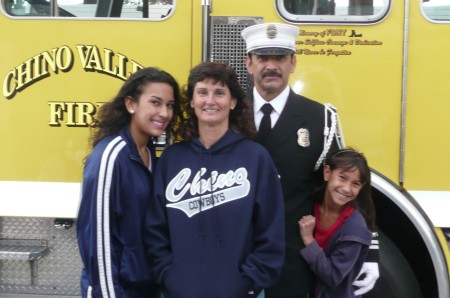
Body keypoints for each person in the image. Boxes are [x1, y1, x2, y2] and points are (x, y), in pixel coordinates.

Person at [241, 22, 380, 298]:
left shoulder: (319, 118)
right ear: (249, 64)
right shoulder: (228, 113)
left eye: (279, 57)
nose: (271, 66)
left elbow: (345, 188)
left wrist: (369, 249)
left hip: (292, 260)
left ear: (293, 63)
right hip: (235, 257)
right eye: (262, 58)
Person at [144, 61, 285, 298]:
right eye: (202, 92)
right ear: (191, 101)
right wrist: (168, 275)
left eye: (219, 92)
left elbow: (270, 230)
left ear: (232, 102)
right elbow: (155, 229)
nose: (210, 100)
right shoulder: (171, 158)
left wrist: (248, 282)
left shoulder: (256, 157)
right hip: (178, 292)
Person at [76, 67, 181, 298]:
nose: (164, 113)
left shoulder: (149, 153)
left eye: (170, 105)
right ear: (131, 104)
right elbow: (98, 244)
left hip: (145, 287)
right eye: (155, 102)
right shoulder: (110, 158)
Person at [298, 148, 376, 297]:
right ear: (327, 173)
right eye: (342, 177)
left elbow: (333, 276)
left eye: (356, 184)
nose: (346, 188)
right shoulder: (310, 204)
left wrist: (309, 240)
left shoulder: (354, 230)